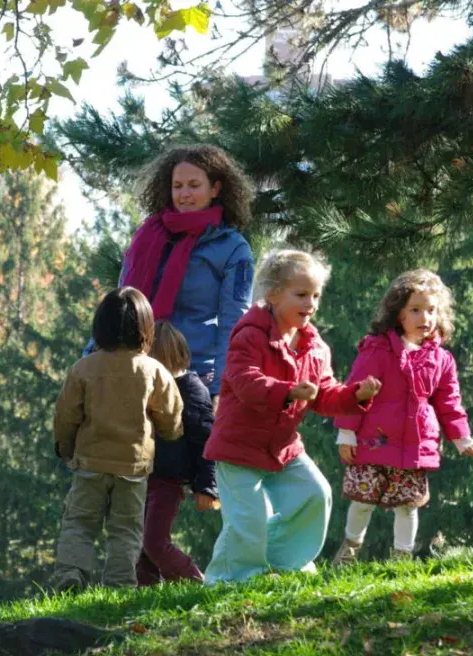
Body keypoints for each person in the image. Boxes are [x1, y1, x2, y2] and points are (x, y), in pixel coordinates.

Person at [202, 249, 381, 584]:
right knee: (248, 518)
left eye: (316, 295)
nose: (310, 303)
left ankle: (284, 562)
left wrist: (356, 395)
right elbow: (243, 381)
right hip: (237, 447)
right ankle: (230, 579)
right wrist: (286, 391)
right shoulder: (249, 335)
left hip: (283, 447)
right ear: (272, 294)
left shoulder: (316, 348)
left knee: (315, 495)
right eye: (301, 294)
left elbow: (325, 393)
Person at [332, 269, 473, 564]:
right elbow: (355, 391)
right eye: (415, 310)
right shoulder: (377, 350)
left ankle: (402, 558)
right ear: (397, 313)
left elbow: (449, 402)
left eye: (431, 310)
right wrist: (346, 433)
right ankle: (349, 551)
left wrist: (461, 438)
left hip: (414, 446)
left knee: (408, 505)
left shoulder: (441, 359)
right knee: (363, 501)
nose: (424, 318)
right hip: (372, 442)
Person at [53, 288, 184, 591]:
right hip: (134, 467)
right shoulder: (153, 370)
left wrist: (65, 446)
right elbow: (172, 414)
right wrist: (170, 434)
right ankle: (120, 583)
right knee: (126, 529)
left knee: (80, 523)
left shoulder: (83, 368)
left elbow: (66, 415)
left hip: (90, 462)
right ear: (146, 327)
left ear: (100, 326)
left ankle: (72, 573)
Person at [108, 145, 256, 400]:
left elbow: (234, 325)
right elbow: (121, 305)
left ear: (215, 189)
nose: (184, 194)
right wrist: (93, 355)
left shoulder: (233, 249)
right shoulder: (147, 237)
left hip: (194, 379)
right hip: (135, 372)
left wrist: (223, 390)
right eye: (177, 186)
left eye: (193, 185)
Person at [136, 321, 218, 586]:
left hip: (168, 479)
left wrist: (206, 486)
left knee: (154, 542)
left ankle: (194, 581)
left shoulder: (192, 390)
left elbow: (204, 440)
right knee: (139, 543)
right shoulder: (146, 390)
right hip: (144, 475)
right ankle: (145, 593)